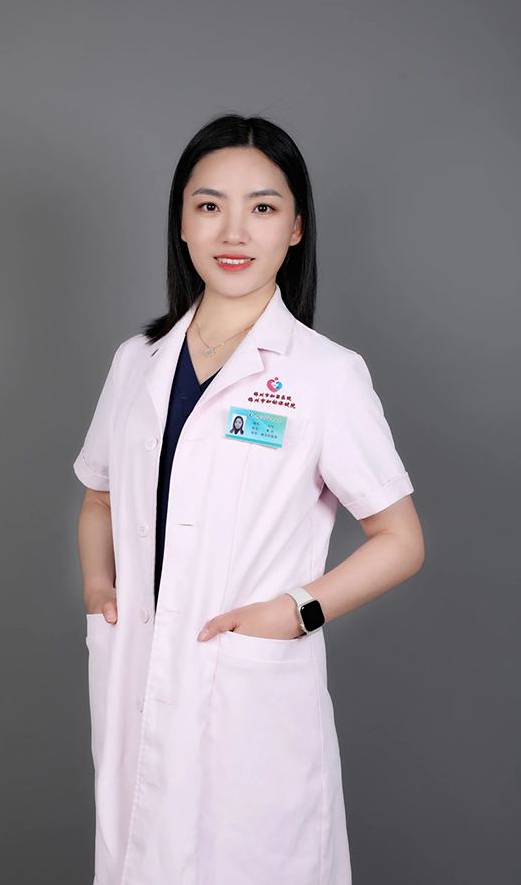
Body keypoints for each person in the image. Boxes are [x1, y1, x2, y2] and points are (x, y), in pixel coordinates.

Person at [73, 112, 425, 885]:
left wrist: (296, 611)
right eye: (210, 205)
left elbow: (401, 539)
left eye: (263, 207)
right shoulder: (137, 361)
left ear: (296, 228)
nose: (234, 231)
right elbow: (99, 495)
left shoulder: (324, 375)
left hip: (247, 688)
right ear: (182, 222)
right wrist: (100, 587)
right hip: (137, 674)